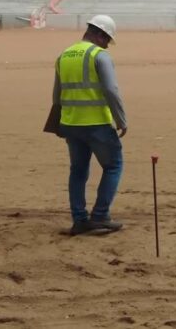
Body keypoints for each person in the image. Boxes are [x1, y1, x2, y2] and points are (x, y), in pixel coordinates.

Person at [53, 15, 127, 236]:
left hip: (71, 123)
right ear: (99, 34)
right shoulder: (99, 56)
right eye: (107, 39)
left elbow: (57, 95)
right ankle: (100, 215)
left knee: (78, 171)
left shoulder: (64, 55)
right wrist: (121, 119)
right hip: (97, 123)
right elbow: (111, 91)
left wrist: (58, 122)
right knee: (113, 166)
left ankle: (79, 220)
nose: (107, 44)